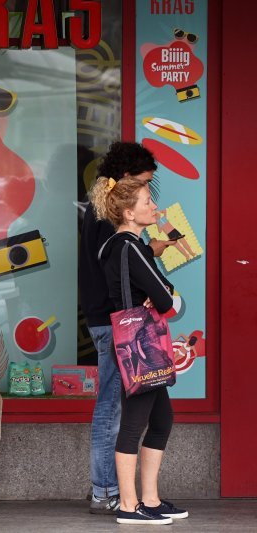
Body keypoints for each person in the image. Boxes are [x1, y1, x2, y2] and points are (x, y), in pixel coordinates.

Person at [79, 142, 175, 514]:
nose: (149, 194)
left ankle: (120, 494)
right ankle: (108, 492)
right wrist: (149, 277)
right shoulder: (110, 214)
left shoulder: (101, 205)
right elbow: (119, 262)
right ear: (126, 182)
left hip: (107, 318)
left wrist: (149, 256)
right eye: (145, 184)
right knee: (113, 408)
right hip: (117, 322)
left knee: (123, 407)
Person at [91, 174, 188, 525]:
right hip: (141, 344)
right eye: (148, 202)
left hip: (131, 342)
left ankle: (149, 498)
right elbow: (167, 299)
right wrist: (164, 294)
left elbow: (156, 292)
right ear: (129, 213)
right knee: (134, 423)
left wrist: (159, 291)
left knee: (161, 419)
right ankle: (131, 506)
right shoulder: (131, 246)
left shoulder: (118, 247)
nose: (155, 208)